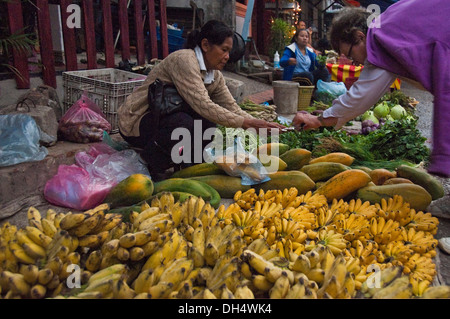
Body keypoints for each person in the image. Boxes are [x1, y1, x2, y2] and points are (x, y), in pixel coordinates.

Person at [292, 1, 450, 177]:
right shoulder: (390, 21)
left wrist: (319, 120)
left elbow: (360, 96)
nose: (356, 63)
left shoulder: (379, 37)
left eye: (351, 54)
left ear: (359, 36)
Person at [118, 20, 284, 180]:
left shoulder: (214, 75)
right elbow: (203, 105)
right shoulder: (184, 60)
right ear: (205, 45)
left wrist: (258, 124)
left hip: (163, 118)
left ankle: (191, 166)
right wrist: (244, 123)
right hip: (137, 122)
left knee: (207, 124)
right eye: (224, 50)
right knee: (184, 123)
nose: (227, 57)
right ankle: (150, 165)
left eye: (228, 52)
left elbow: (231, 106)